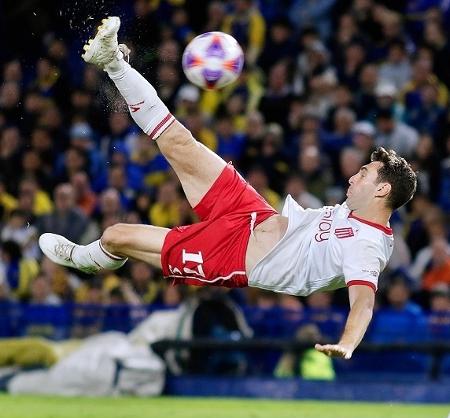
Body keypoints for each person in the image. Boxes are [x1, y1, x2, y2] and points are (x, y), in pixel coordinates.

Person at [39, 17, 417, 360]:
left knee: (117, 234)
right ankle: (113, 62)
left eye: (365, 174)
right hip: (252, 212)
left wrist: (348, 343)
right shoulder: (353, 210)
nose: (354, 176)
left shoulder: (367, 247)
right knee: (178, 141)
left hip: (232, 255)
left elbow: (364, 303)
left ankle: (86, 261)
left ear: (383, 190)